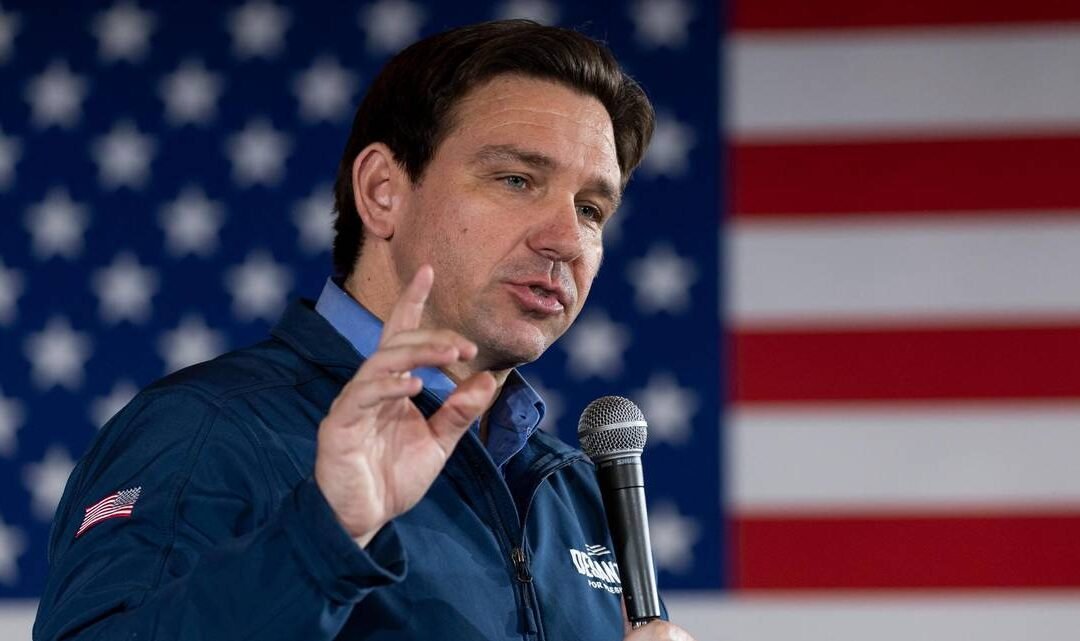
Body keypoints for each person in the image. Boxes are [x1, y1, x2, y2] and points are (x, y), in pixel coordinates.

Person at [33, 20, 697, 641]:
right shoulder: (205, 431)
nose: (566, 239)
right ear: (383, 191)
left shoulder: (577, 492)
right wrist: (323, 536)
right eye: (517, 179)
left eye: (591, 209)